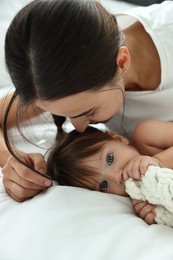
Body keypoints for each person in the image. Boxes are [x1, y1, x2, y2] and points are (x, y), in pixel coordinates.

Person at [0, 0, 173, 224]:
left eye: (88, 112)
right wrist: (13, 162)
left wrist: (158, 161)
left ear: (122, 62)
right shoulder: (60, 82)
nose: (80, 127)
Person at [46, 120, 173, 224]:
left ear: (118, 138)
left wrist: (159, 161)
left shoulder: (146, 135)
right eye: (104, 185)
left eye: (110, 159)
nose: (117, 176)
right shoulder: (143, 198)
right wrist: (160, 214)